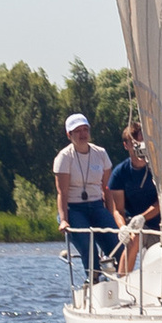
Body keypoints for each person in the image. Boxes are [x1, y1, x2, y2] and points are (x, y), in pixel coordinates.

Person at [53, 112, 116, 279]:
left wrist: (112, 215)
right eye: (78, 131)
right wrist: (64, 219)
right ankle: (93, 280)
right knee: (89, 249)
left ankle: (120, 281)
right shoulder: (64, 157)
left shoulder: (100, 153)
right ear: (69, 134)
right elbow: (62, 192)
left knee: (118, 245)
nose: (82, 134)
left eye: (85, 129)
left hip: (96, 206)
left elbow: (107, 189)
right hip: (74, 209)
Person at [107, 117, 162, 272]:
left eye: (142, 144)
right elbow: (118, 209)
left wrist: (144, 216)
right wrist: (122, 227)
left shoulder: (156, 169)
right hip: (135, 225)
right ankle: (122, 282)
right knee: (133, 238)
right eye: (135, 144)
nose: (139, 149)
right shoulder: (120, 173)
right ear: (126, 146)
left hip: (159, 223)